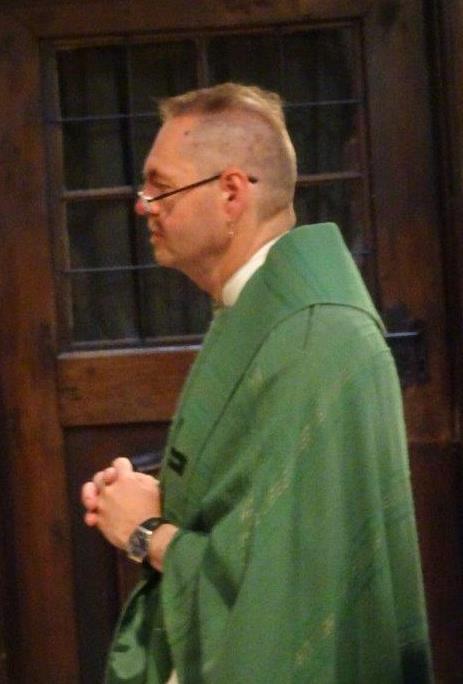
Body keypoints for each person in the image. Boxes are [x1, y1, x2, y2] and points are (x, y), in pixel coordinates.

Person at [81, 83, 433, 683]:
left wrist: (143, 533)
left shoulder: (315, 338)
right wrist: (164, 499)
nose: (144, 206)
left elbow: (286, 596)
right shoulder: (261, 313)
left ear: (231, 193)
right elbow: (261, 515)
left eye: (161, 187)